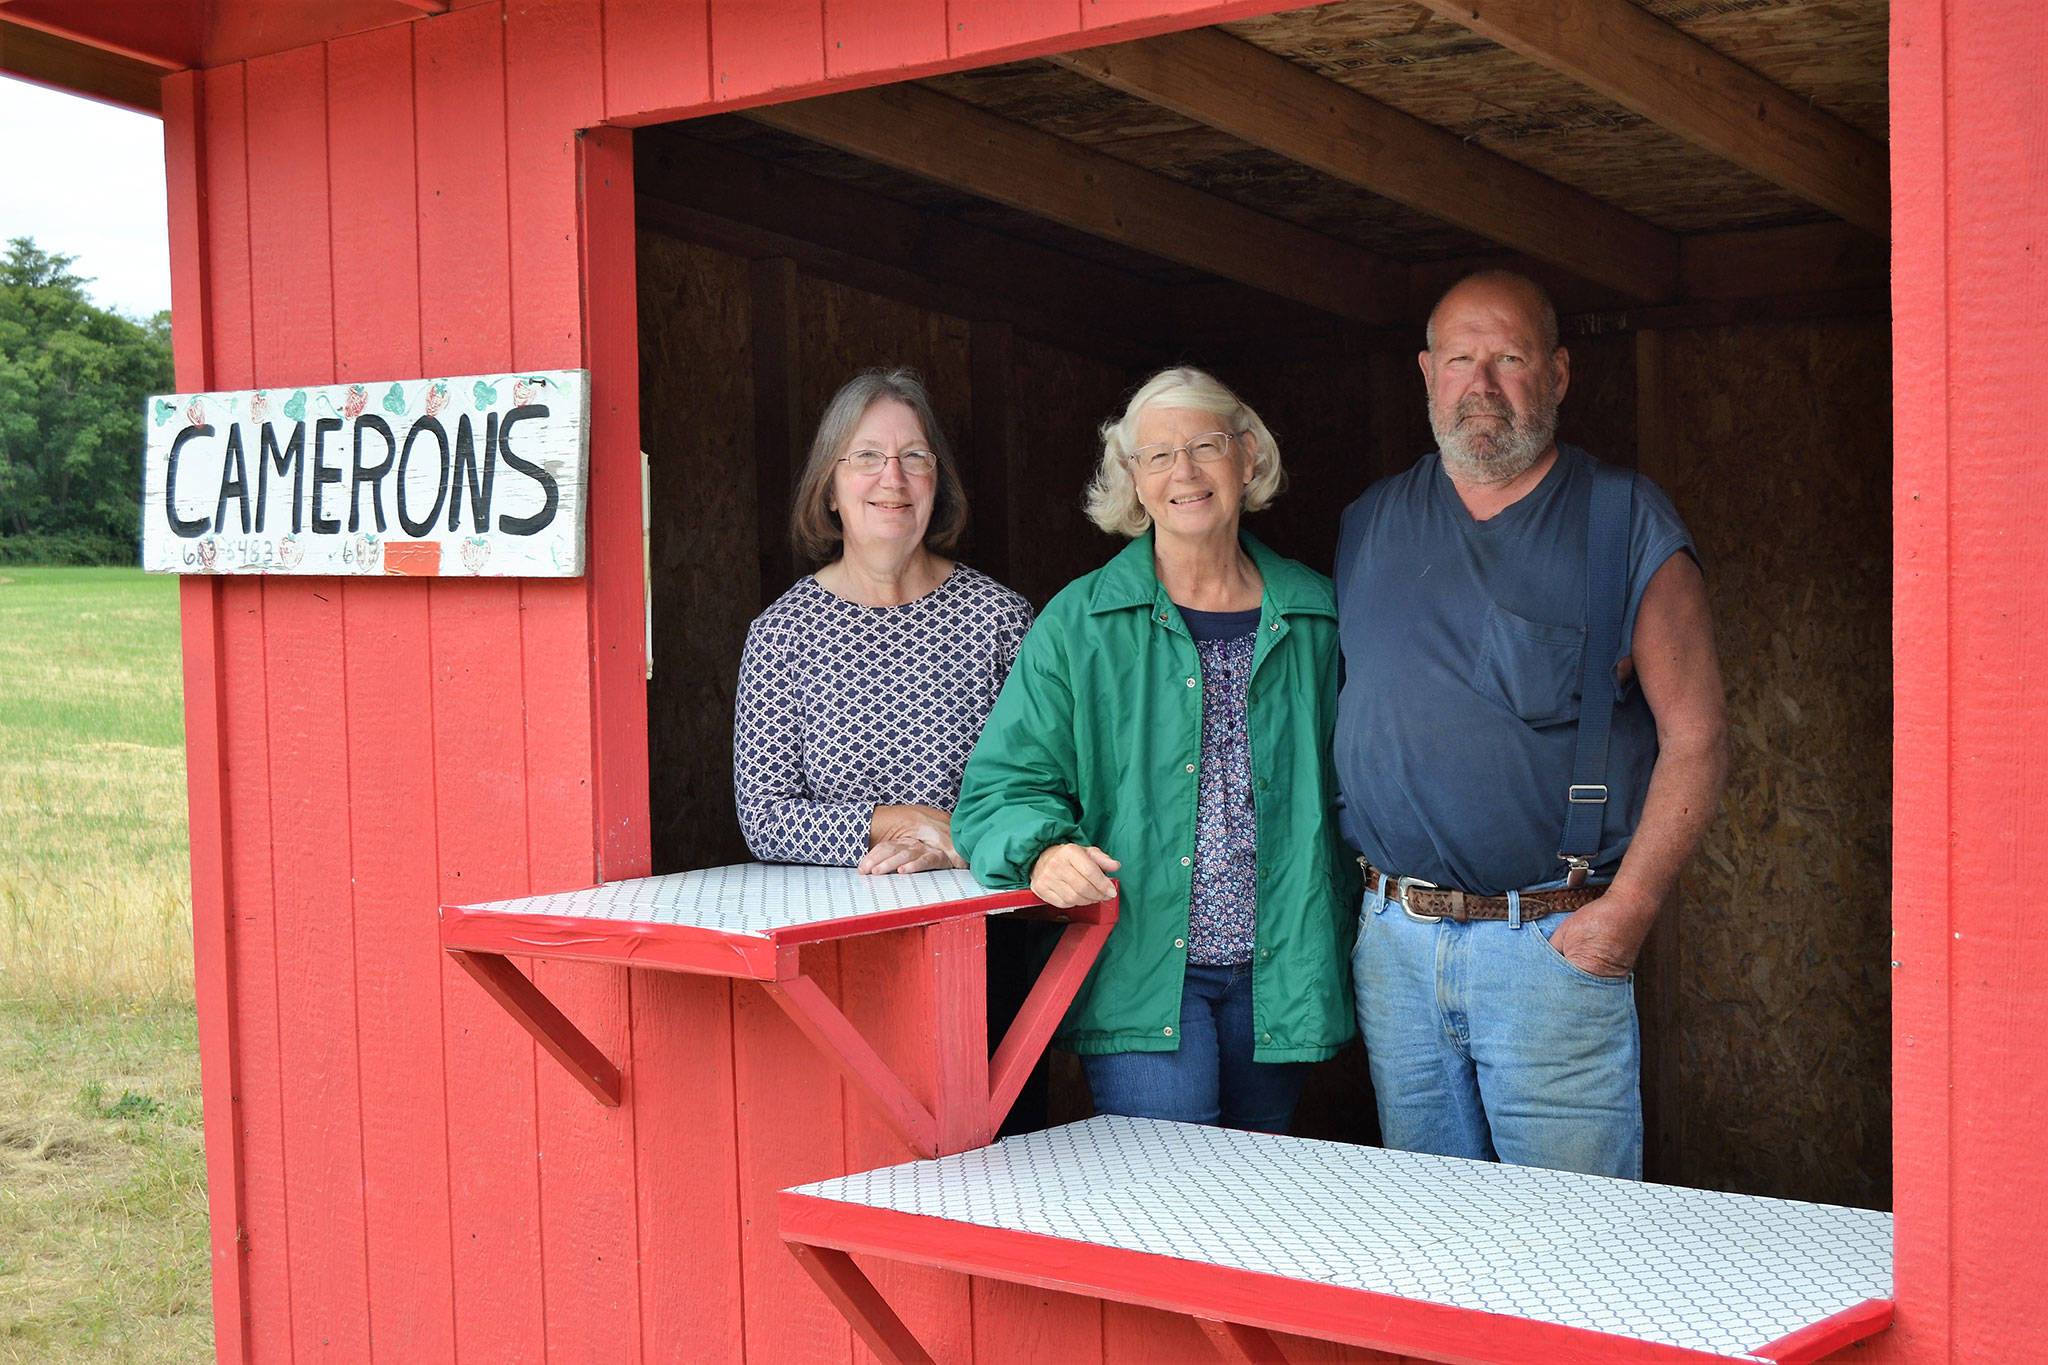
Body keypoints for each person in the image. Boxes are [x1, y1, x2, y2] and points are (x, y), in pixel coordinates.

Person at [1334, 270, 1729, 1179]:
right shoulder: (1370, 523)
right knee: (1434, 1247)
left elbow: (1699, 737)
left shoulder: (1623, 519)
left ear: (1556, 375)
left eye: (1509, 358)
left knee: (1574, 1251)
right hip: (1396, 944)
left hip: (1549, 946)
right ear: (1426, 373)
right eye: (1462, 360)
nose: (1483, 384)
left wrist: (1623, 915)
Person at [954, 366, 1357, 1134]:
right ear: (1132, 480)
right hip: (1144, 965)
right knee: (1173, 1201)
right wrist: (1041, 852)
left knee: (1261, 1188)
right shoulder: (1081, 621)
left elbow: (1376, 772)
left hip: (1284, 965)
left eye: (1205, 445)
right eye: (1158, 455)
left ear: (1247, 457)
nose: (1186, 472)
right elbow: (1000, 788)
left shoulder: (1317, 613)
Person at [733, 367, 1033, 875]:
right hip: (838, 925)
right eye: (867, 456)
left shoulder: (999, 618)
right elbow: (764, 817)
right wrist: (897, 823)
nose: (892, 478)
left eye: (914, 457)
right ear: (830, 489)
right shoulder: (781, 634)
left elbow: (1041, 780)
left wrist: (958, 844)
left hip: (985, 911)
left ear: (936, 485)